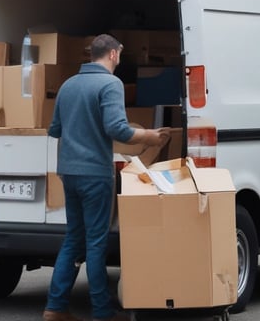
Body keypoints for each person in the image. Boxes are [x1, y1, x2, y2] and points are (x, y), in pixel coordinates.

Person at [43, 34, 171, 321]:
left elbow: (55, 129)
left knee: (73, 239)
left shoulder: (68, 84)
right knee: (96, 243)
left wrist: (80, 127)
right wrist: (149, 136)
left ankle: (55, 307)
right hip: (95, 174)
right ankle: (102, 312)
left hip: (69, 172)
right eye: (120, 54)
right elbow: (117, 129)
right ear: (113, 54)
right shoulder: (111, 84)